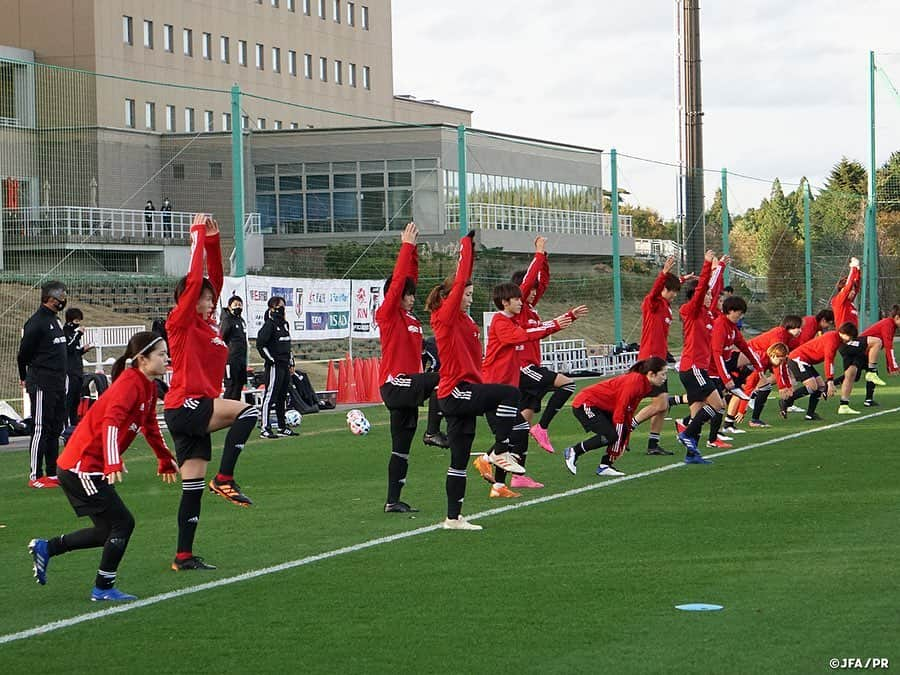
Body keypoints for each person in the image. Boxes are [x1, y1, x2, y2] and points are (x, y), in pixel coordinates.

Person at [27, 332, 179, 601]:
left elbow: (150, 426)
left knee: (105, 531)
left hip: (86, 465)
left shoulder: (146, 385)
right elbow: (110, 422)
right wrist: (112, 462)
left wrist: (164, 458)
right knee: (123, 523)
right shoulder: (129, 384)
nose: (167, 358)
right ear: (142, 359)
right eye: (161, 354)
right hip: (82, 466)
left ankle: (47, 548)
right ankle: (103, 588)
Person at [164, 214, 260, 571]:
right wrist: (196, 237)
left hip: (192, 409)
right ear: (188, 299)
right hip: (187, 404)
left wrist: (215, 242)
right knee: (247, 411)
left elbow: (215, 280)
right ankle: (225, 479)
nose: (208, 298)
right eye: (201, 296)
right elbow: (195, 282)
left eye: (209, 296)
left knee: (191, 490)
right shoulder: (181, 322)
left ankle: (183, 556)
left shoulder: (210, 325)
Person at [427, 231, 526, 531]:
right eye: (466, 295)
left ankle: (453, 519)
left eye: (470, 295)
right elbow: (459, 280)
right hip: (455, 392)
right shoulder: (445, 318)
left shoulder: (468, 322)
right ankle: (500, 449)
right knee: (509, 394)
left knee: (458, 461)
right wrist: (467, 248)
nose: (469, 298)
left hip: (467, 392)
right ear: (449, 298)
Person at [479, 281, 577, 495]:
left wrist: (563, 319)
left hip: (506, 391)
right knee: (509, 435)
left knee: (517, 431)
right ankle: (485, 460)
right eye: (516, 299)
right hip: (494, 390)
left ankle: (498, 485)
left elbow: (531, 330)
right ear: (505, 302)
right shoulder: (500, 322)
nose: (520, 302)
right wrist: (556, 325)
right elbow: (525, 335)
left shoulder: (512, 322)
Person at [375, 222, 442, 513]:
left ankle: (393, 501)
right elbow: (401, 278)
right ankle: (434, 432)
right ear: (395, 294)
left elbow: (409, 277)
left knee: (401, 448)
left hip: (409, 385)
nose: (413, 297)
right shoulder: (388, 314)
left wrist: (414, 252)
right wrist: (406, 247)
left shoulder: (413, 320)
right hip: (394, 384)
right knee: (444, 380)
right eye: (407, 293)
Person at [511, 236, 588, 454]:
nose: (534, 292)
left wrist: (544, 258)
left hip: (532, 368)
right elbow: (528, 282)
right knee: (568, 385)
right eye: (530, 290)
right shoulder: (518, 310)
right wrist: (538, 252)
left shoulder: (531, 309)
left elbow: (542, 281)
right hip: (524, 369)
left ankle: (502, 464)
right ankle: (542, 428)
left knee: (520, 428)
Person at [563, 357, 669, 477]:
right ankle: (574, 451)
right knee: (611, 435)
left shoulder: (645, 385)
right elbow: (621, 409)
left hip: (602, 407)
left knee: (621, 433)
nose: (665, 378)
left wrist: (626, 435)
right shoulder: (635, 382)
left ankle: (605, 466)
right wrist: (619, 437)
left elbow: (630, 410)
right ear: (651, 374)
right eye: (663, 374)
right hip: (586, 403)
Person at [675, 251, 726, 464]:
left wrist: (720, 268)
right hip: (693, 367)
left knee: (698, 414)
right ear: (696, 297)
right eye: (704, 295)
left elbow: (713, 290)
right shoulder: (691, 310)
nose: (709, 297)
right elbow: (705, 287)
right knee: (717, 404)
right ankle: (685, 434)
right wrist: (707, 265)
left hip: (697, 369)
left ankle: (691, 454)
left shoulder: (707, 313)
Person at [17, 280, 69, 489]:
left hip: (57, 382)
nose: (63, 301)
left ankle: (52, 472)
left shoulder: (56, 321)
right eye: (61, 297)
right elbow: (24, 354)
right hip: (42, 382)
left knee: (55, 427)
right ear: (50, 298)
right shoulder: (36, 323)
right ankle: (35, 475)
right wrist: (24, 376)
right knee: (40, 427)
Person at [634, 255, 685, 456]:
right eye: (673, 291)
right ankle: (627, 427)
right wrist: (663, 273)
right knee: (660, 403)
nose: (674, 295)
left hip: (659, 361)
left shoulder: (664, 306)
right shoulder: (652, 302)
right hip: (649, 361)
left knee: (662, 406)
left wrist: (681, 279)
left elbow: (665, 289)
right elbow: (655, 291)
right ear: (664, 289)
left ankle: (653, 444)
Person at [722, 315, 802, 429]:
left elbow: (781, 363)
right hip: (747, 362)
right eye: (797, 327)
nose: (800, 330)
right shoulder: (779, 335)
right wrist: (782, 386)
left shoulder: (785, 338)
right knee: (739, 391)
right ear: (789, 326)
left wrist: (786, 385)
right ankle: (727, 423)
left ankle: (734, 421)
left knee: (746, 390)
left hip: (754, 362)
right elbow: (778, 365)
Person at [706, 295, 759, 448]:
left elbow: (744, 346)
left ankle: (697, 431)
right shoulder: (720, 325)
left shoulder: (731, 327)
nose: (741, 316)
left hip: (718, 370)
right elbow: (716, 354)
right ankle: (709, 436)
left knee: (711, 404)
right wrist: (726, 377)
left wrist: (758, 366)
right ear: (730, 311)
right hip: (709, 370)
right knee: (717, 404)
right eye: (739, 312)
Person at [781, 322, 858, 421]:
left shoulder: (836, 339)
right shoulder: (833, 339)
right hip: (798, 359)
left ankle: (810, 414)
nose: (850, 340)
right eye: (850, 337)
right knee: (813, 386)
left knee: (821, 386)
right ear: (844, 333)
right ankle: (786, 401)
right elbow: (828, 360)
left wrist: (829, 380)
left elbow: (831, 360)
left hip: (805, 361)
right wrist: (830, 381)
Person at [257, 295, 294, 438]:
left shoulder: (285, 324)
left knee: (282, 396)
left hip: (285, 365)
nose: (282, 310)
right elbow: (261, 345)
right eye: (280, 306)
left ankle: (282, 426)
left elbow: (288, 345)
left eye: (284, 306)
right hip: (275, 366)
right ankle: (265, 428)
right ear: (272, 309)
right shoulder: (269, 325)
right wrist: (272, 360)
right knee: (270, 395)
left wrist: (291, 362)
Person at [858, 304, 900, 406]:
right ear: (897, 317)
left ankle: (868, 400)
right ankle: (825, 387)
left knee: (872, 372)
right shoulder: (888, 324)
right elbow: (889, 347)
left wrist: (890, 366)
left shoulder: (891, 325)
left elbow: (887, 346)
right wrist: (893, 367)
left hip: (866, 352)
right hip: (860, 351)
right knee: (853, 376)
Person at [63, 308, 94, 429]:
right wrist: (78, 334)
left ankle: (75, 425)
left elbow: (75, 352)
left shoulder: (73, 334)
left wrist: (83, 350)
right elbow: (68, 349)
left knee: (76, 399)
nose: (78, 323)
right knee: (69, 399)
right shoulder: (66, 332)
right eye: (76, 320)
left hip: (77, 370)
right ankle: (66, 426)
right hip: (69, 372)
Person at [221, 295, 248, 401]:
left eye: (240, 305)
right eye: (235, 305)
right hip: (231, 359)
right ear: (229, 306)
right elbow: (222, 338)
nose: (238, 307)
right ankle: (225, 411)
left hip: (241, 359)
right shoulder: (227, 320)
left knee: (239, 384)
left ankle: (235, 411)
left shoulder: (241, 320)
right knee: (231, 385)